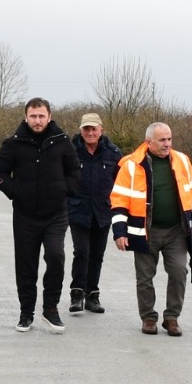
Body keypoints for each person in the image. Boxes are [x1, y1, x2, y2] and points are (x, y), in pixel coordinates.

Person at [0, 97, 79, 333]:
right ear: (25, 117)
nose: (37, 120)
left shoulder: (62, 142)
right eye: (33, 116)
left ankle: (50, 309)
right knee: (26, 265)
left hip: (55, 215)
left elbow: (75, 171)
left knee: (56, 255)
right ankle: (26, 312)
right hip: (25, 215)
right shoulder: (14, 143)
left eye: (41, 116)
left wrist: (65, 190)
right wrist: (14, 192)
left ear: (49, 117)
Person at [110, 122, 192, 336]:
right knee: (144, 277)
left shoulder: (183, 161)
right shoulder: (131, 165)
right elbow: (119, 200)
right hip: (144, 231)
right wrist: (120, 232)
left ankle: (172, 318)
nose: (167, 144)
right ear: (148, 142)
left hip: (176, 231)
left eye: (169, 139)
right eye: (162, 140)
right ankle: (148, 318)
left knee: (179, 271)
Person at [67, 112, 121, 314]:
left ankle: (92, 295)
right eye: (86, 129)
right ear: (81, 130)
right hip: (77, 210)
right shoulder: (71, 152)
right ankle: (76, 293)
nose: (90, 132)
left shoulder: (114, 154)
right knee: (81, 252)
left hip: (103, 211)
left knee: (97, 255)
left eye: (93, 129)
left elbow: (121, 183)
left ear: (101, 130)